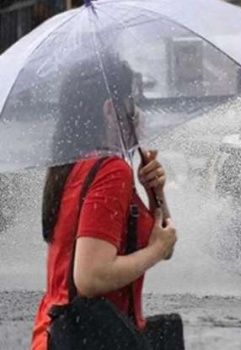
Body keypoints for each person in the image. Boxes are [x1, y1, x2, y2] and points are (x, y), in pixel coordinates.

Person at [31, 56, 179, 350]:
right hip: (92, 337)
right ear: (112, 110)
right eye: (133, 101)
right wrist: (156, 250)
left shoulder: (72, 165)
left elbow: (167, 243)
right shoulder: (111, 171)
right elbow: (90, 277)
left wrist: (155, 194)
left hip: (59, 335)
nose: (137, 112)